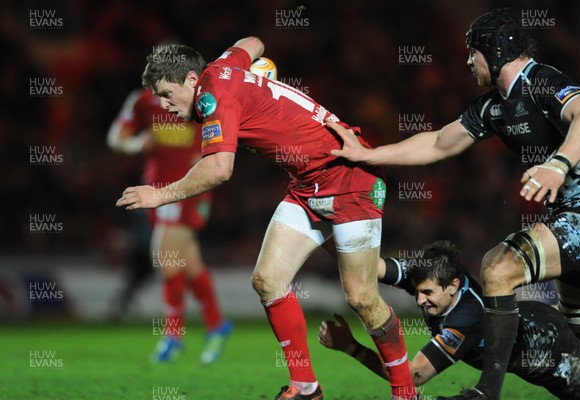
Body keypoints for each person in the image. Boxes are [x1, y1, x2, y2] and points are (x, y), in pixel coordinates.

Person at [116, 37, 419, 400]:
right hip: (308, 186)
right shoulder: (224, 65)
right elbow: (253, 42)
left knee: (362, 297)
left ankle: (406, 393)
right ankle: (306, 388)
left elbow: (218, 170)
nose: (164, 106)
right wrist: (259, 72)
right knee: (267, 280)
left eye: (167, 94)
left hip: (350, 179)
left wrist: (159, 194)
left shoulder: (214, 97)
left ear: (192, 80)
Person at [325, 8, 580, 400]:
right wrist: (367, 154)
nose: (468, 61)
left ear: (494, 50)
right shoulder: (494, 107)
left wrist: (558, 164)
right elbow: (437, 142)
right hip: (573, 222)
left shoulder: (539, 80)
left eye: (473, 53)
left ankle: (487, 392)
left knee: (498, 267)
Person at [319, 241, 580, 399]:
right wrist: (325, 237)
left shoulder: (465, 319)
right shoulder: (434, 275)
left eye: (427, 294)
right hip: (534, 314)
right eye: (417, 292)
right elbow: (372, 267)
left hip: (549, 352)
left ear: (453, 286)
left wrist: (351, 348)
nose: (419, 301)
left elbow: (414, 376)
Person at [108, 83, 232, 364]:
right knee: (188, 263)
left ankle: (173, 335)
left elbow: (228, 132)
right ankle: (216, 325)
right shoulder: (142, 100)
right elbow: (116, 136)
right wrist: (136, 143)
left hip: (188, 188)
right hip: (156, 192)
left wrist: (209, 153)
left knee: (163, 255)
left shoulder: (201, 99)